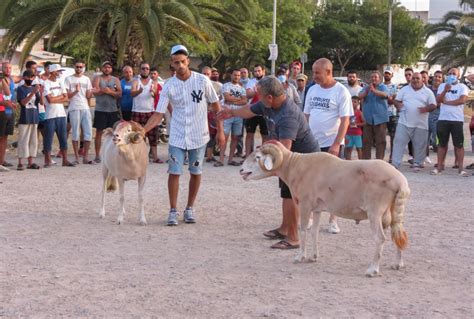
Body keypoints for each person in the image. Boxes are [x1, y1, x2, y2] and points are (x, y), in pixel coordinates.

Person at [218, 76, 319, 249]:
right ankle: (285, 229)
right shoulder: (269, 104)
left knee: (291, 196)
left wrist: (258, 170)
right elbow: (250, 110)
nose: (258, 99)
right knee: (285, 194)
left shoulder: (288, 115)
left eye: (260, 96)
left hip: (302, 161)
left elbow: (283, 153)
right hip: (289, 157)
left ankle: (294, 238)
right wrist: (232, 112)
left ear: (269, 97)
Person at [144, 44, 225, 226]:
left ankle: (190, 208)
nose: (180, 65)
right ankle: (173, 210)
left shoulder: (203, 81)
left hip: (199, 135)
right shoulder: (168, 86)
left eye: (182, 61)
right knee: (174, 172)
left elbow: (215, 106)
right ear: (171, 64)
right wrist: (143, 130)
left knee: (196, 171)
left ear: (188, 61)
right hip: (178, 135)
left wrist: (220, 131)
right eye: (176, 62)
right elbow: (158, 114)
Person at [304, 58, 352, 234]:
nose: (314, 76)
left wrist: (336, 144)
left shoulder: (341, 92)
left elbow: (345, 120)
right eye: (314, 72)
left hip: (331, 144)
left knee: (334, 183)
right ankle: (309, 216)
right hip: (311, 143)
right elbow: (306, 115)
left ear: (328, 72)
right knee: (310, 181)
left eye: (317, 72)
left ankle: (333, 219)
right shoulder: (312, 90)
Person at [392, 72, 437, 171]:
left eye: (417, 78)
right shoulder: (404, 89)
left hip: (420, 124)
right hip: (404, 122)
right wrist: (398, 105)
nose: (415, 80)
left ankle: (417, 163)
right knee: (398, 142)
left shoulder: (428, 92)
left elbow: (433, 105)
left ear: (422, 80)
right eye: (414, 78)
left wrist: (426, 109)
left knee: (420, 144)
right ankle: (395, 164)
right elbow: (396, 100)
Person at [431, 68, 469, 177]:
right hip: (443, 119)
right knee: (442, 144)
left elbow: (462, 100)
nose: (451, 75)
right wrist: (445, 91)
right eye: (450, 74)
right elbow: (438, 100)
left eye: (454, 74)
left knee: (459, 145)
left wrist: (447, 102)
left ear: (458, 75)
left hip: (457, 120)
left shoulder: (462, 87)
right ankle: (439, 167)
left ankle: (460, 169)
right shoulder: (443, 86)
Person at [43, 64, 74, 167]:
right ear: (52, 72)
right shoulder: (46, 83)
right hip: (50, 115)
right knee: (48, 138)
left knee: (63, 138)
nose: (60, 73)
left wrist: (56, 98)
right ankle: (47, 161)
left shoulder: (61, 82)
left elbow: (66, 98)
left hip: (61, 114)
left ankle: (65, 160)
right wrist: (60, 97)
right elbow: (49, 100)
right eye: (58, 71)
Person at [131, 62, 163, 163]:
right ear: (140, 70)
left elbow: (155, 94)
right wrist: (139, 91)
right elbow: (132, 93)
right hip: (137, 111)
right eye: (143, 68)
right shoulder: (136, 81)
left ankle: (155, 157)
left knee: (153, 136)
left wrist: (153, 93)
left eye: (147, 69)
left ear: (149, 71)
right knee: (138, 135)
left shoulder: (153, 82)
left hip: (150, 112)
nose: (145, 70)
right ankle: (141, 157)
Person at [92, 61, 122, 163]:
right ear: (102, 68)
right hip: (100, 109)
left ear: (111, 69)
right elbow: (94, 91)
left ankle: (114, 155)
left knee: (115, 133)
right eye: (105, 67)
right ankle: (97, 155)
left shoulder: (115, 80)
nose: (107, 69)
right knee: (99, 132)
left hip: (112, 110)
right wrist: (102, 91)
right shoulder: (97, 78)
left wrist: (111, 92)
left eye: (109, 67)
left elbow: (119, 94)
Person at [216, 68, 247, 167]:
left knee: (235, 137)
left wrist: (233, 101)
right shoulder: (226, 86)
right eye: (235, 75)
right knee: (224, 137)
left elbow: (245, 101)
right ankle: (221, 159)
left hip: (238, 115)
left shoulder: (242, 88)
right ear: (231, 75)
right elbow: (227, 98)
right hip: (227, 114)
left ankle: (230, 159)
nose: (237, 77)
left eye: (238, 75)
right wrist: (239, 100)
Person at [65, 60, 94, 165]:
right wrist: (76, 91)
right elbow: (67, 96)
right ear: (74, 67)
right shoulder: (68, 79)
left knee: (88, 132)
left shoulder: (86, 79)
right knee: (75, 133)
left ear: (83, 67)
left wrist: (91, 92)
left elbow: (88, 95)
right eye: (77, 67)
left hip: (85, 108)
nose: (79, 69)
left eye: (80, 67)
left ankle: (85, 157)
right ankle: (77, 157)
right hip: (74, 108)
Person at [16, 70, 43, 170]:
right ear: (24, 78)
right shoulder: (21, 89)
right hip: (25, 118)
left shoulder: (34, 88)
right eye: (29, 77)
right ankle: (20, 162)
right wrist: (33, 92)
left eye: (32, 77)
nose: (31, 79)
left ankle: (30, 162)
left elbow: (41, 103)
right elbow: (23, 102)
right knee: (23, 140)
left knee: (33, 141)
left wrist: (41, 92)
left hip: (34, 117)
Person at [359, 71, 389, 160]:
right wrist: (368, 90)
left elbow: (385, 95)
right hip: (368, 119)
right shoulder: (366, 88)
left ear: (379, 79)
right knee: (366, 142)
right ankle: (366, 161)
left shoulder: (383, 87)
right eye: (372, 77)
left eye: (375, 77)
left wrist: (374, 91)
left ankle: (379, 161)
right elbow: (360, 96)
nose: (373, 79)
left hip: (380, 119)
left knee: (381, 142)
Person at [245, 64, 268, 158]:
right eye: (255, 71)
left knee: (265, 135)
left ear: (263, 71)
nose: (257, 73)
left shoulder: (268, 81)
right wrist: (256, 91)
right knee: (249, 134)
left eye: (259, 71)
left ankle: (263, 157)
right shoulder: (251, 82)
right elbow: (248, 94)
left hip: (265, 111)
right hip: (252, 111)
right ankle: (247, 156)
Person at [383, 66, 399, 163]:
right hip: (382, 114)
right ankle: (381, 156)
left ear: (392, 75)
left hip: (392, 114)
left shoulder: (395, 87)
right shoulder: (380, 86)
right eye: (385, 73)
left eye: (389, 73)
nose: (387, 75)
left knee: (393, 136)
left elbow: (394, 100)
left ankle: (392, 156)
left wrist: (390, 99)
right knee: (381, 137)